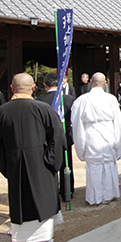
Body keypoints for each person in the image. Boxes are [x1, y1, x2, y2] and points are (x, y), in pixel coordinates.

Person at [0, 73, 66, 242]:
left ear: (11, 88)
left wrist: (6, 165)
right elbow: (57, 137)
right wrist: (51, 161)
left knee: (19, 200)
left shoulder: (1, 111)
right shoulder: (43, 108)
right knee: (42, 198)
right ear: (33, 88)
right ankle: (40, 240)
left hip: (14, 163)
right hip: (40, 162)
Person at [71, 72, 121, 205]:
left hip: (91, 135)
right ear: (105, 83)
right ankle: (109, 194)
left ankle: (96, 197)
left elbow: (76, 124)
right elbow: (118, 121)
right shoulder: (110, 99)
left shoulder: (82, 100)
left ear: (91, 82)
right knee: (108, 164)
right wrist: (119, 139)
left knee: (94, 166)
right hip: (108, 134)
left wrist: (80, 145)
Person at [36, 73, 76, 202]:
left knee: (48, 165)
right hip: (64, 136)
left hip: (47, 138)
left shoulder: (39, 101)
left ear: (45, 85)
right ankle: (67, 191)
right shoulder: (69, 99)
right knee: (67, 164)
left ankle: (51, 192)